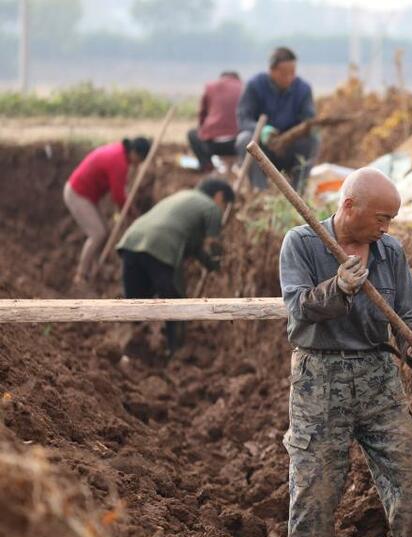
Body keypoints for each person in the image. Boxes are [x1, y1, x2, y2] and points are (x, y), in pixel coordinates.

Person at [278, 167, 412, 537]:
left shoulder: (391, 252)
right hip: (319, 379)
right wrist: (338, 288)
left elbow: (408, 317)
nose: (386, 228)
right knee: (314, 490)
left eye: (391, 220)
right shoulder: (302, 243)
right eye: (382, 218)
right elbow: (299, 308)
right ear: (349, 206)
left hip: (378, 378)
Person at [116, 178, 233, 354]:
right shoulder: (211, 207)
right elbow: (212, 244)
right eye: (226, 205)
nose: (223, 211)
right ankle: (175, 352)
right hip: (161, 247)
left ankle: (130, 351)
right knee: (175, 302)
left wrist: (209, 265)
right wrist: (220, 264)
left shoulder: (183, 196)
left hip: (132, 241)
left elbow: (195, 247)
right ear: (219, 196)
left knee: (136, 301)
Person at [64, 137, 150, 285]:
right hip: (77, 194)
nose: (138, 164)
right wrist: (132, 213)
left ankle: (95, 268)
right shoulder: (119, 162)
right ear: (135, 153)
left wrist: (128, 208)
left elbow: (119, 192)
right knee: (98, 234)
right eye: (140, 160)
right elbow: (118, 195)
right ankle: (81, 275)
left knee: (104, 231)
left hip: (86, 195)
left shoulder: (120, 152)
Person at [236, 47, 317, 193]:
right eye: (284, 73)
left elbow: (308, 120)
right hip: (262, 148)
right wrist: (260, 130)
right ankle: (259, 191)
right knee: (244, 139)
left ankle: (298, 192)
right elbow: (243, 119)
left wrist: (296, 132)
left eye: (292, 73)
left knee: (312, 141)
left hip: (289, 148)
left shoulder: (303, 89)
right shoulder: (255, 86)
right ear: (271, 70)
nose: (289, 77)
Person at [188, 71, 243, 172]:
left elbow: (202, 116)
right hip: (237, 144)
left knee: (192, 134)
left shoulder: (210, 87)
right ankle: (243, 165)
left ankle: (207, 166)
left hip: (212, 145)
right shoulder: (244, 87)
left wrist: (204, 131)